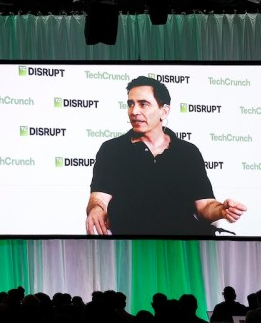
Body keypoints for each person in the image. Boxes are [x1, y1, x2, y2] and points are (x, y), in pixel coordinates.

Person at [85, 75, 247, 236]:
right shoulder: (112, 149)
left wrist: (221, 210)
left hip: (182, 241)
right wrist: (97, 209)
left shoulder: (188, 152)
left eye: (143, 104)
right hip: (132, 241)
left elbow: (204, 206)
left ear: (164, 111)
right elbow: (98, 198)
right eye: (130, 104)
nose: (134, 111)